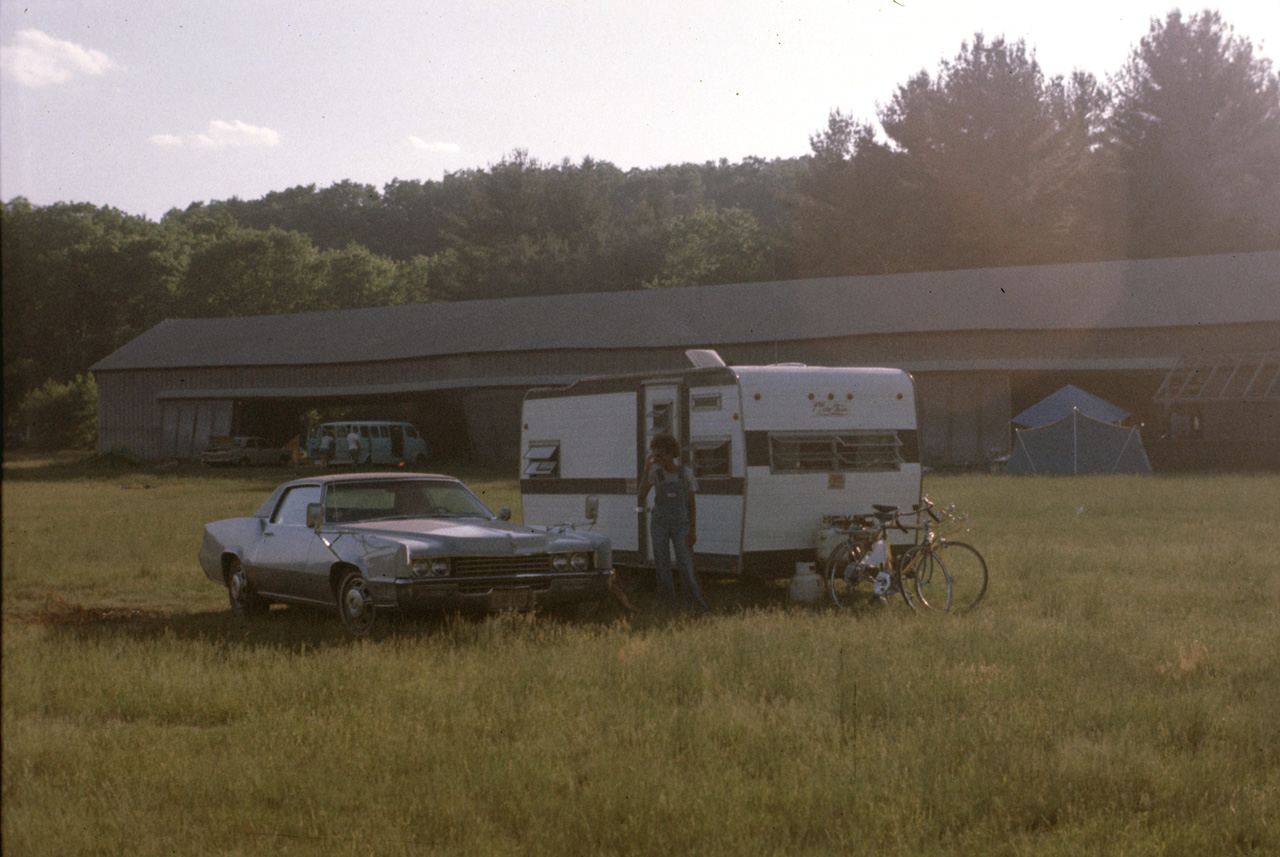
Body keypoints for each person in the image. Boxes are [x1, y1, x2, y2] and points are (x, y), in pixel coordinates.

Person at [637, 433, 710, 614]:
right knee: (662, 566)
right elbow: (640, 496)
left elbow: (691, 504)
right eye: (655, 455)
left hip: (681, 526)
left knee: (686, 567)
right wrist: (646, 471)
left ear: (671, 454)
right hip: (659, 524)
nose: (658, 459)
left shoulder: (685, 473)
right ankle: (667, 607)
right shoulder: (655, 473)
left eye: (661, 455)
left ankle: (695, 607)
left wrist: (692, 530)